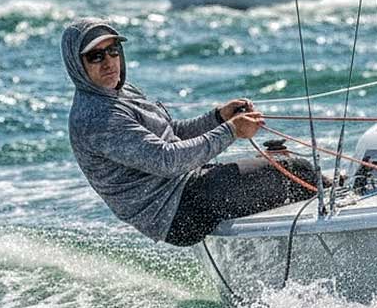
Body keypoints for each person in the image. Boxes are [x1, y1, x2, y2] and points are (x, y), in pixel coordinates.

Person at [61, 18, 316, 246]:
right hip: (177, 213)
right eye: (96, 56)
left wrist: (217, 118)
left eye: (113, 51)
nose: (108, 62)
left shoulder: (121, 91)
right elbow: (166, 159)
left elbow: (170, 133)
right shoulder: (97, 118)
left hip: (191, 187)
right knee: (295, 171)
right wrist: (231, 131)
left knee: (286, 165)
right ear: (77, 64)